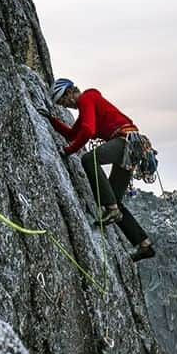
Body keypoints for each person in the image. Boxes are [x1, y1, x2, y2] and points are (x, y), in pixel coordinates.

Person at [45, 78, 156, 262]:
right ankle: (144, 245)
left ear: (70, 92)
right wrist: (51, 121)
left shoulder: (87, 98)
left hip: (124, 142)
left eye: (63, 100)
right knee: (113, 198)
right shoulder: (86, 107)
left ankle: (112, 209)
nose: (66, 105)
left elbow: (88, 130)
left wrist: (67, 151)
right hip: (131, 146)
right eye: (61, 104)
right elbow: (73, 133)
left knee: (89, 159)